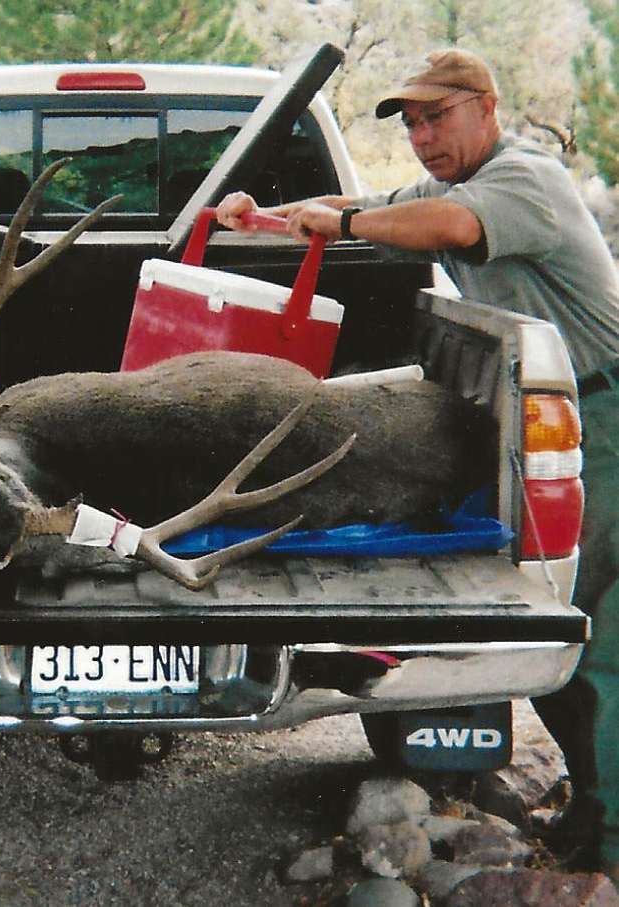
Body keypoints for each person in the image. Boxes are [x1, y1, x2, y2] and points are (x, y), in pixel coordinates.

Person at [218, 48, 619, 876]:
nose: (422, 137)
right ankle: (592, 804)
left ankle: (610, 845)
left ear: (488, 106)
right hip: (550, 425)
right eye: (410, 123)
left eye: (436, 117)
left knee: (593, 642)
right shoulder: (454, 183)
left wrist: (349, 226)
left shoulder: (523, 179)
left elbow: (449, 229)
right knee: (555, 641)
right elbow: (357, 203)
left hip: (606, 419)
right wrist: (268, 216)